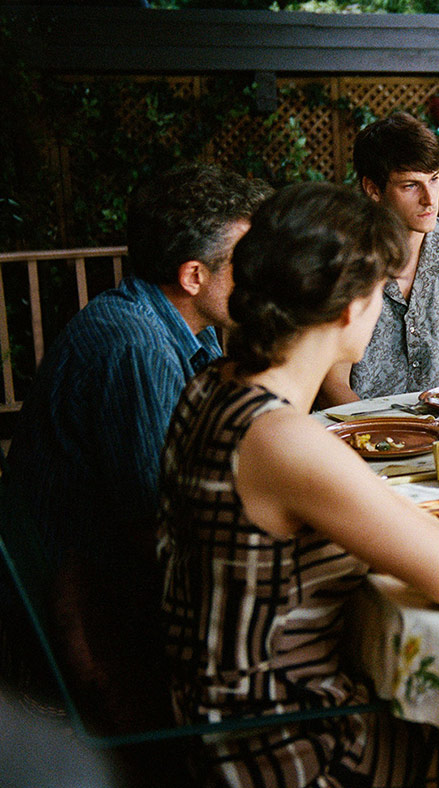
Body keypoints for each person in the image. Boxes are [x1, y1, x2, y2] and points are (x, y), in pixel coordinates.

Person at [158, 182, 439, 788]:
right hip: (282, 758)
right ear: (349, 309)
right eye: (381, 291)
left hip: (205, 725)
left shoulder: (214, 384)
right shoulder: (281, 437)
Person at [2, 163, 269, 726]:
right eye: (246, 263)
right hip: (91, 628)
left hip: (106, 594)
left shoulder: (170, 329)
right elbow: (159, 525)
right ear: (194, 275)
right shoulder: (135, 346)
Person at [320, 111, 439, 404]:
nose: (430, 198)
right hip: (368, 437)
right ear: (373, 189)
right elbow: (333, 386)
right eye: (410, 185)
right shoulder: (344, 261)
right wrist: (381, 438)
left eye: (434, 179)